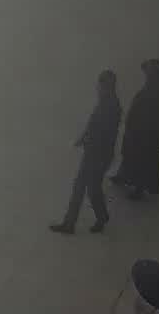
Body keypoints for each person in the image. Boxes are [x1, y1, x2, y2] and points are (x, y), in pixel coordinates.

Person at [51, 69, 121, 235]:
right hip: (95, 152)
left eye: (102, 84)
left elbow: (104, 132)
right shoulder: (106, 102)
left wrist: (89, 142)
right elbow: (93, 125)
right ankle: (78, 222)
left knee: (88, 187)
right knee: (85, 187)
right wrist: (83, 138)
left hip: (98, 154)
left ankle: (76, 222)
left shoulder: (110, 106)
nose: (99, 87)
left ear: (108, 86)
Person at [110, 60, 159, 200]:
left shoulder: (158, 84)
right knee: (131, 152)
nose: (145, 72)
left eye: (147, 69)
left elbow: (153, 108)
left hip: (147, 130)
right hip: (140, 127)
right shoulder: (154, 82)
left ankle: (139, 187)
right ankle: (124, 175)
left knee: (143, 157)